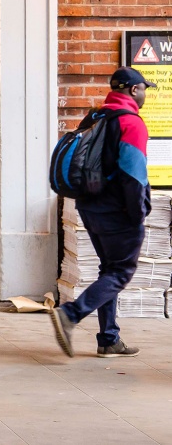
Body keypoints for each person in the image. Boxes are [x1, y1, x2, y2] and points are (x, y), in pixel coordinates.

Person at [48, 67, 155, 359]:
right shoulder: (131, 123)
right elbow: (133, 176)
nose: (145, 94)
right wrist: (138, 214)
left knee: (109, 270)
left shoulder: (95, 116)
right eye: (144, 88)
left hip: (89, 206)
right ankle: (70, 314)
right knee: (120, 272)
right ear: (133, 90)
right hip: (118, 212)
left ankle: (109, 339)